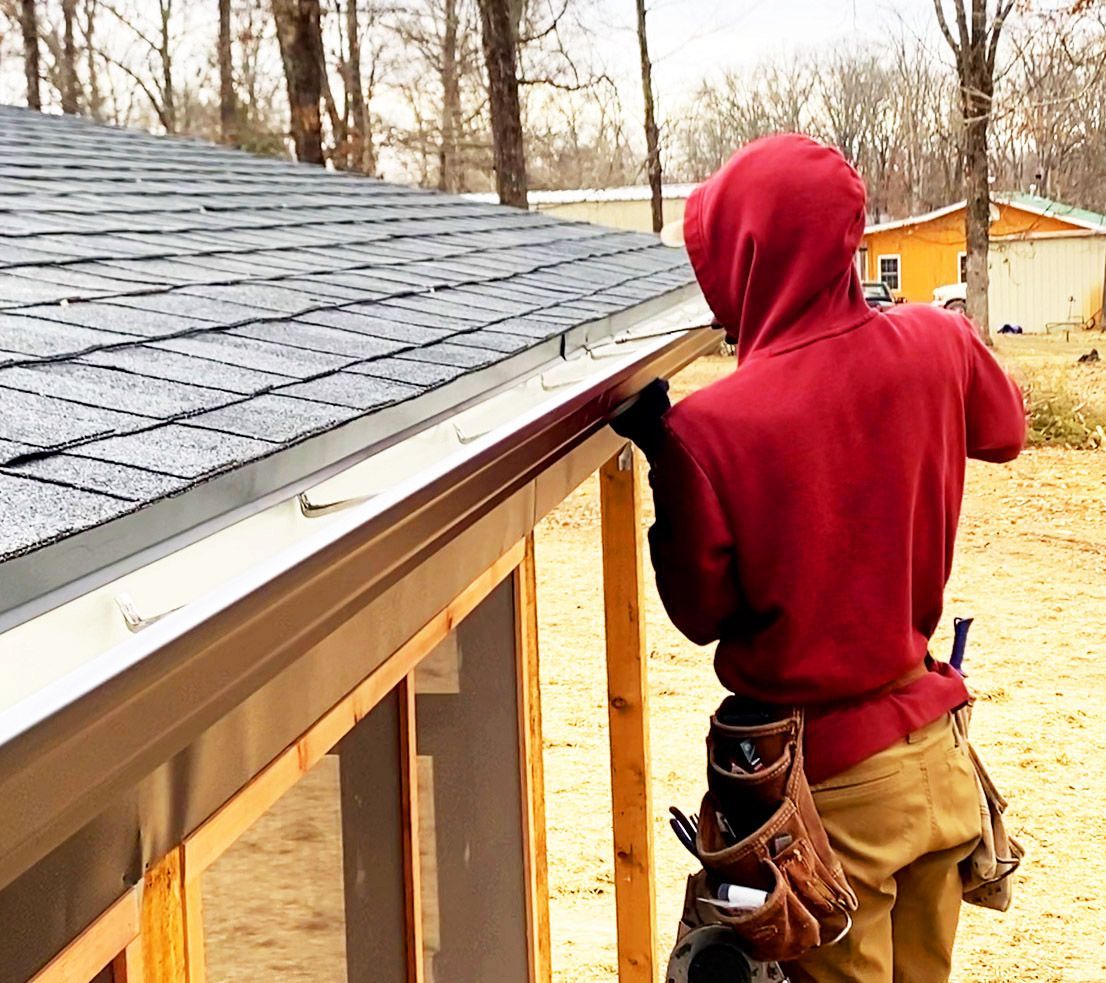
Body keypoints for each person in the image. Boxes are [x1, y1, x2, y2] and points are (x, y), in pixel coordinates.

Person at [612, 134, 1026, 982]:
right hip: (937, 765)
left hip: (832, 802)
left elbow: (697, 614)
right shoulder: (936, 345)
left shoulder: (710, 431)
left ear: (745, 257)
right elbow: (1008, 428)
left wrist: (662, 453)